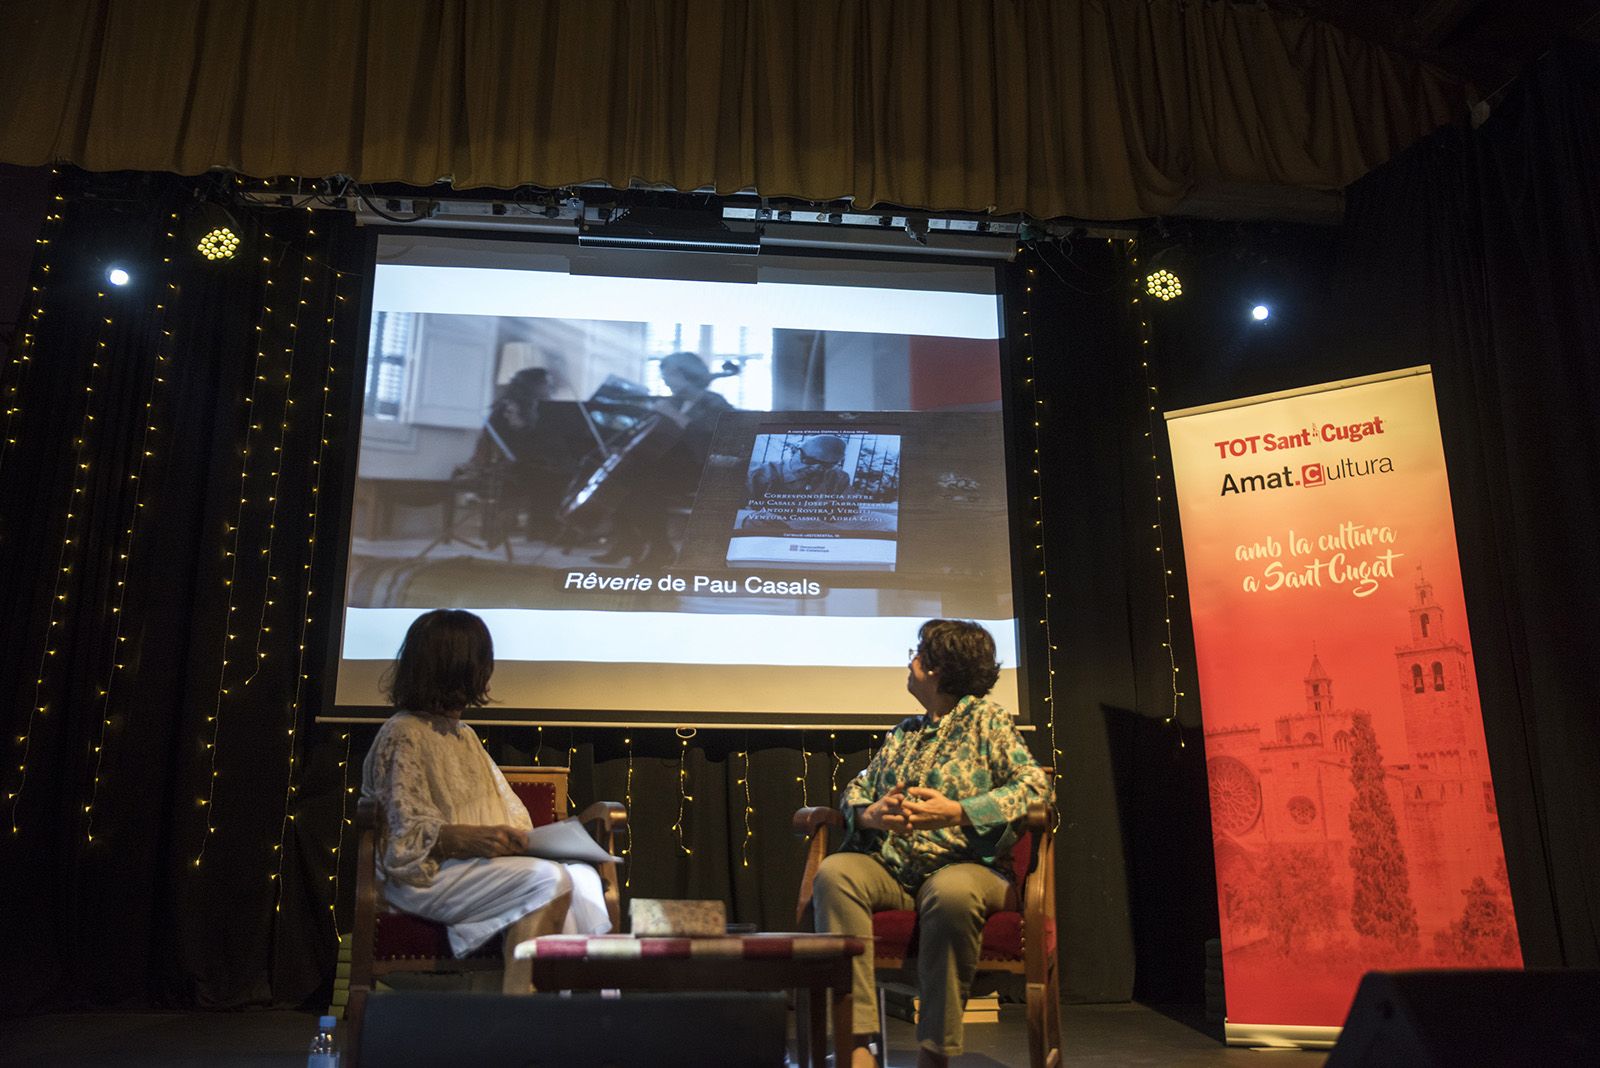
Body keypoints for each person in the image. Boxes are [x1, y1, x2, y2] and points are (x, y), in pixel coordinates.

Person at [812, 619, 1049, 1068]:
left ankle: (934, 1050)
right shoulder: (905, 734)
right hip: (895, 868)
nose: (910, 661)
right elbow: (856, 789)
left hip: (969, 867)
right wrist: (870, 813)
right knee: (836, 873)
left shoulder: (987, 721)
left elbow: (1036, 790)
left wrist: (959, 811)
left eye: (917, 653)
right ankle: (859, 1041)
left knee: (951, 891)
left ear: (936, 669)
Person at [360, 609, 611, 992]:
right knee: (546, 879)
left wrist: (517, 839)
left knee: (584, 878)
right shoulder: (403, 734)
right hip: (423, 876)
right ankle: (519, 1017)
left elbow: (508, 813)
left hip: (473, 868)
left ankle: (582, 1011)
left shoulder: (464, 736)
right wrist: (462, 838)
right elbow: (403, 835)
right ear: (458, 667)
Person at [594, 351, 734, 565]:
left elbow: (712, 441)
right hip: (667, 468)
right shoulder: (676, 401)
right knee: (618, 479)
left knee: (641, 487)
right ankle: (629, 541)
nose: (665, 380)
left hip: (697, 472)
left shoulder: (715, 403)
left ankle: (660, 548)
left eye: (669, 374)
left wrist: (674, 416)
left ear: (686, 375)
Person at [747, 434, 851, 497]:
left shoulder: (837, 478)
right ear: (794, 451)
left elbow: (850, 511)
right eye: (810, 460)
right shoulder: (758, 474)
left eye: (827, 465)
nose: (817, 468)